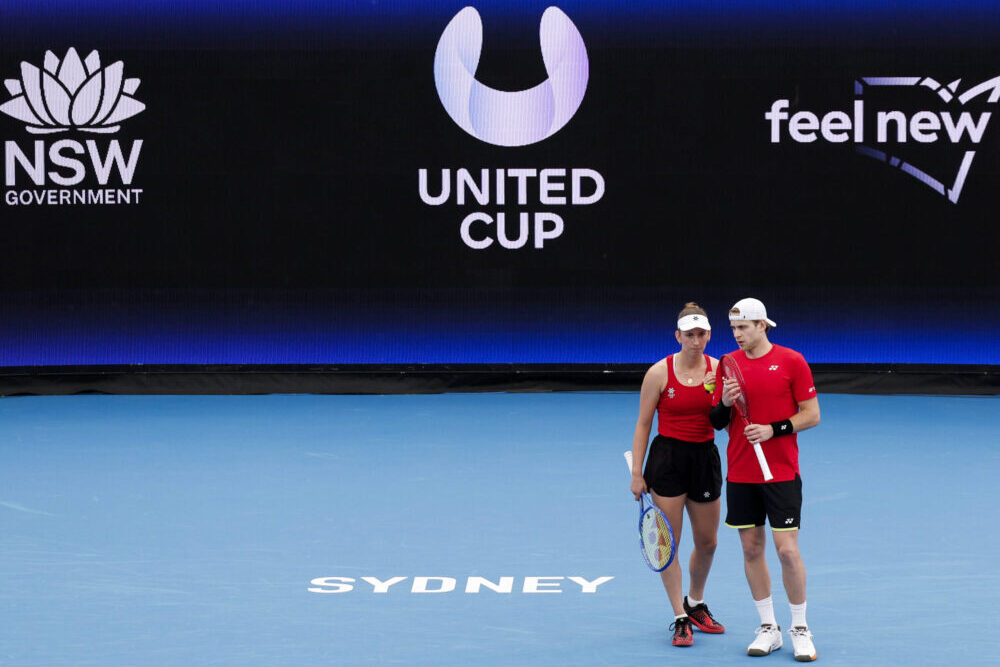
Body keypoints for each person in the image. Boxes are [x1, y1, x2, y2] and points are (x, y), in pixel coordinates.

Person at [709, 298, 821, 661]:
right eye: (734, 329)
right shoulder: (727, 364)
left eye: (743, 327)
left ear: (762, 326)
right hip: (741, 472)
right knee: (751, 549)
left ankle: (800, 629)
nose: (737, 335)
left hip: (781, 473)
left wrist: (775, 430)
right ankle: (768, 628)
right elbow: (716, 421)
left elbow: (812, 415)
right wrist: (724, 401)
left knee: (787, 552)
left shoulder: (792, 362)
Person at [630, 302, 727, 647]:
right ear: (678, 336)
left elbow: (725, 419)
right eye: (689, 335)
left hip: (704, 459)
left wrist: (723, 397)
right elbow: (643, 424)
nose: (696, 341)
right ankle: (679, 616)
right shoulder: (658, 373)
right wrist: (637, 474)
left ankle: (695, 602)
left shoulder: (719, 371)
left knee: (708, 542)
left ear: (709, 335)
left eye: (701, 334)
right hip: (667, 459)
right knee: (667, 544)